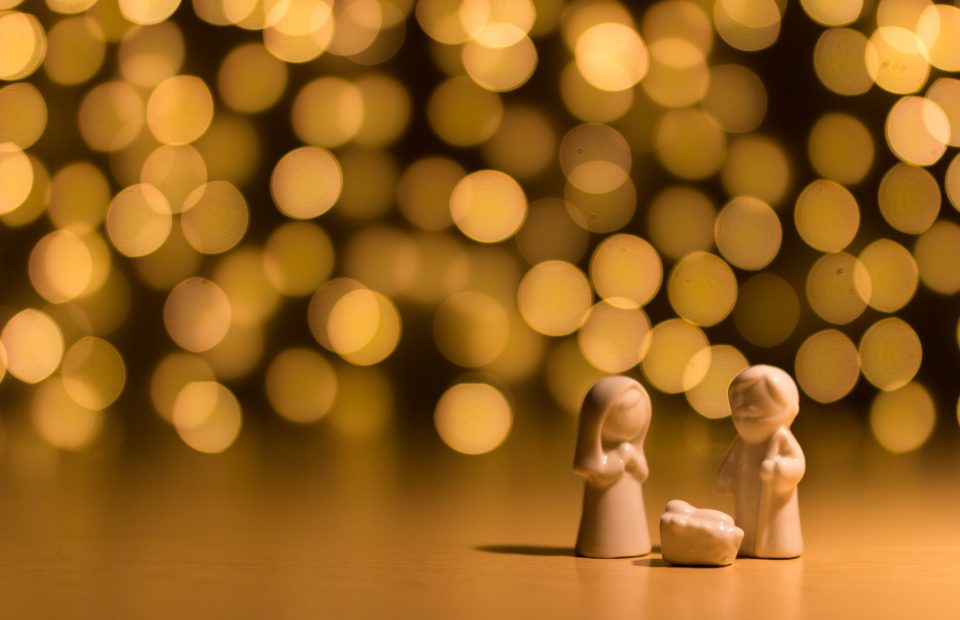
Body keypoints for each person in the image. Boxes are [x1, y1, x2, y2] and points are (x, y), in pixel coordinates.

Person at [717, 365, 805, 558]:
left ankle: (778, 545)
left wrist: (779, 469)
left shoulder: (781, 438)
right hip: (745, 499)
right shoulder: (742, 443)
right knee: (745, 525)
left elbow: (797, 465)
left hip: (774, 509)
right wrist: (726, 478)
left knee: (776, 529)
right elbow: (731, 464)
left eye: (753, 415)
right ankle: (745, 543)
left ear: (789, 410)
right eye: (738, 416)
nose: (744, 420)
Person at [573, 376, 652, 558]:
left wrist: (633, 461)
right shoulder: (599, 451)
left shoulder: (632, 449)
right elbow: (596, 471)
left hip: (631, 500)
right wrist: (620, 460)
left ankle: (635, 543)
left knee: (632, 524)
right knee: (604, 525)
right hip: (603, 505)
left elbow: (642, 473)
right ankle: (604, 546)